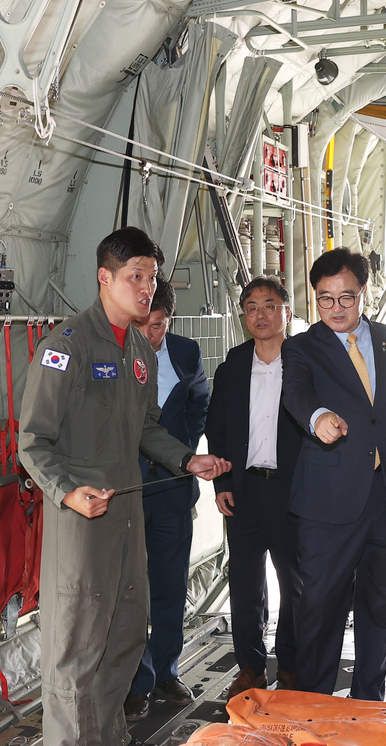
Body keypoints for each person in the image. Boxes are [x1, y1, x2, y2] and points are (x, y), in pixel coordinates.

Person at [19, 227, 230, 746]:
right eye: (134, 275)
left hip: (129, 512)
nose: (145, 287)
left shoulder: (139, 350)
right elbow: (33, 442)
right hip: (82, 519)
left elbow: (145, 430)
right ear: (104, 278)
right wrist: (68, 492)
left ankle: (107, 737)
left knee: (124, 630)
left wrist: (189, 459)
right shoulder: (66, 345)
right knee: (77, 637)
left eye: (151, 277)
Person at [282, 247, 386, 700]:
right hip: (328, 501)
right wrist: (318, 418)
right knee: (321, 606)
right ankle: (315, 700)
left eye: (346, 297)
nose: (336, 308)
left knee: (380, 604)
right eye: (325, 299)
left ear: (364, 292)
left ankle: (369, 698)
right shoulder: (301, 347)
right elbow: (295, 393)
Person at [206, 276, 306, 698]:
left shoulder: (305, 360)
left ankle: (292, 665)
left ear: (286, 310)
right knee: (245, 584)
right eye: (251, 307)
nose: (260, 314)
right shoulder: (233, 365)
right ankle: (250, 666)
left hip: (293, 492)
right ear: (243, 315)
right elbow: (219, 428)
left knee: (296, 584)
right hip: (245, 492)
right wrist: (224, 481)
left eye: (269, 305)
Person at [123, 279, 210, 719]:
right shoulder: (114, 352)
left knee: (171, 585)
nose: (149, 336)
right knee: (132, 588)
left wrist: (181, 454)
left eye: (157, 326)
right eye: (143, 325)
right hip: (128, 490)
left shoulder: (187, 353)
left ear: (169, 320)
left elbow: (199, 405)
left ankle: (166, 672)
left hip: (174, 487)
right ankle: (136, 681)